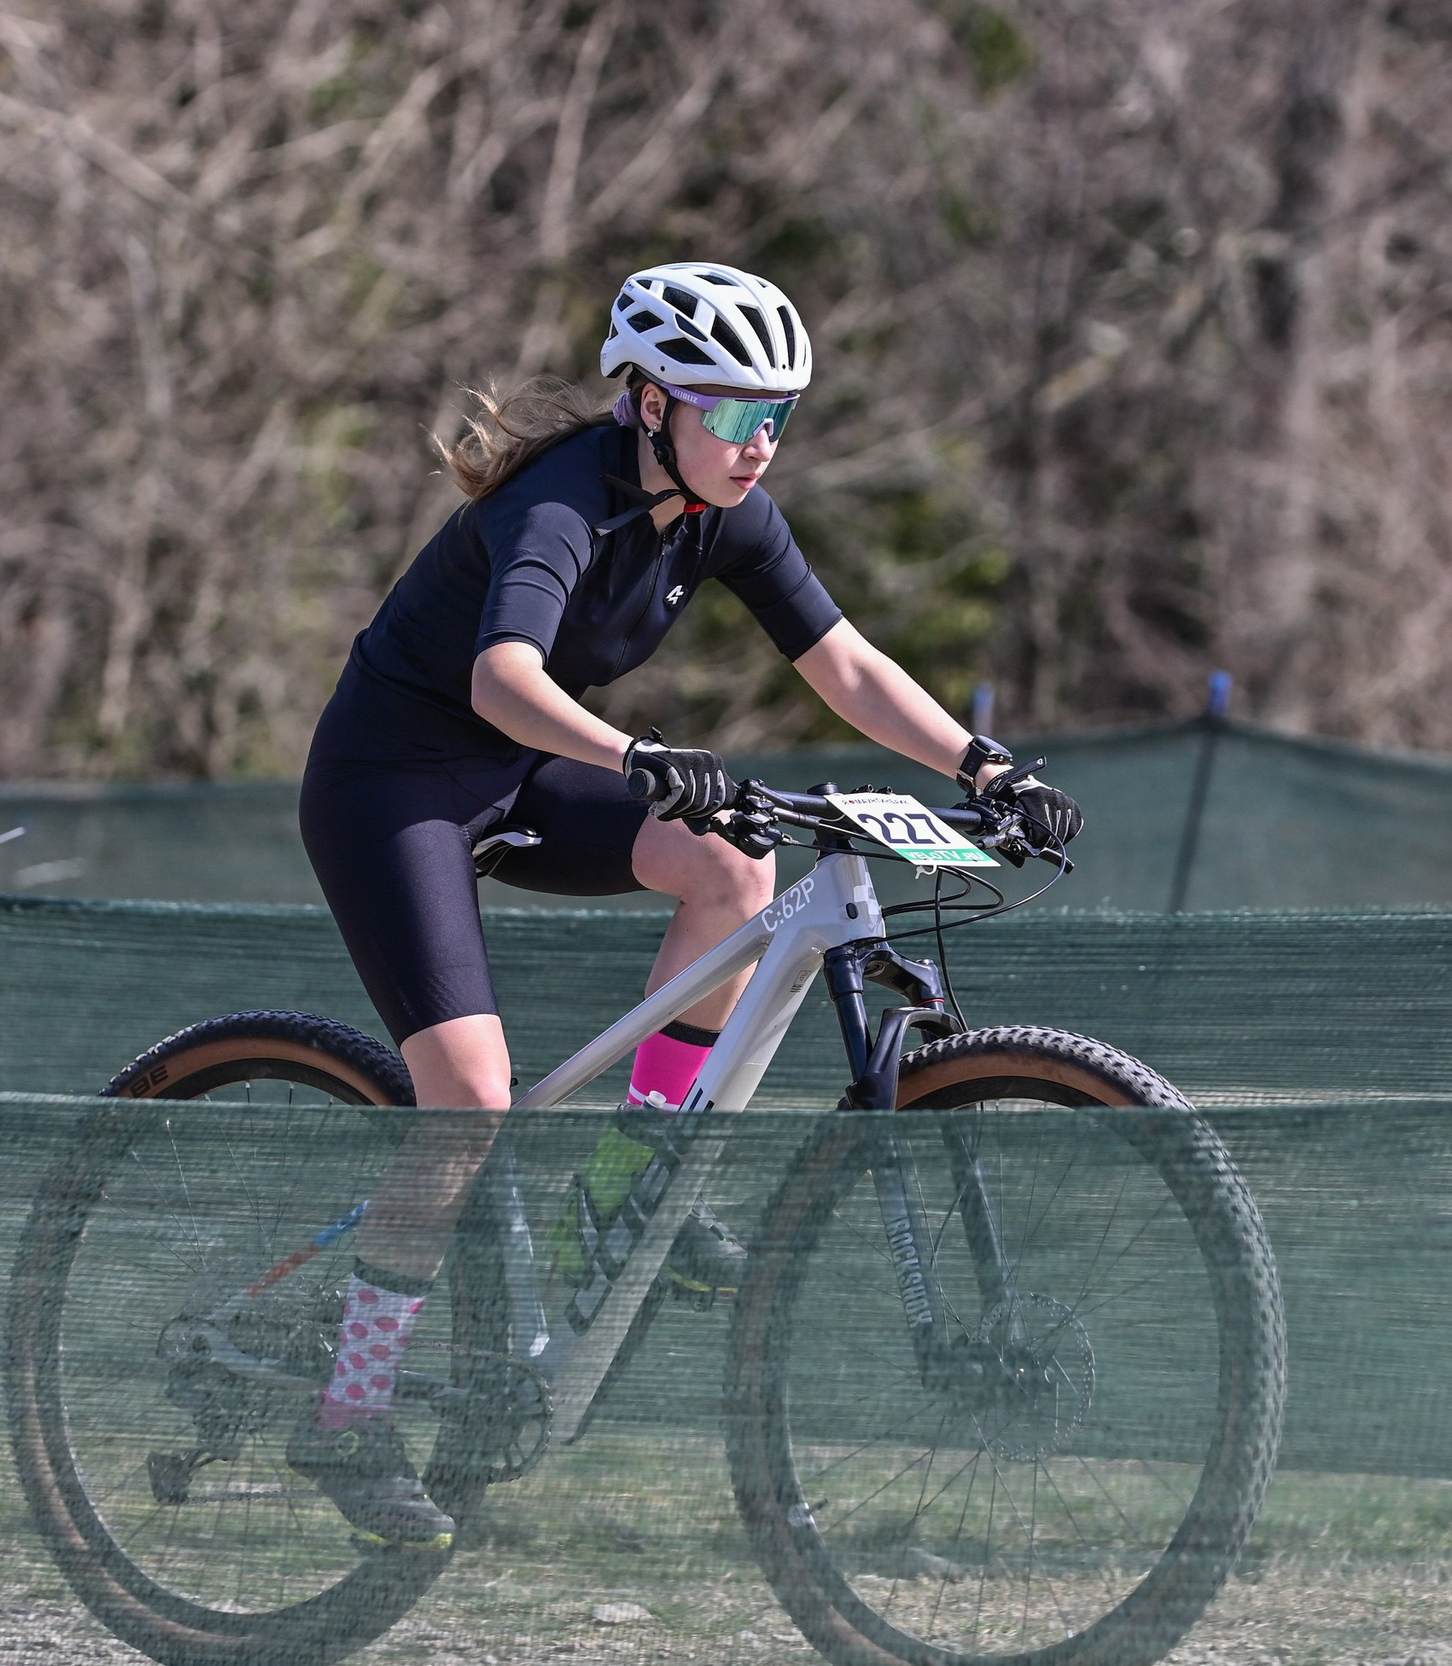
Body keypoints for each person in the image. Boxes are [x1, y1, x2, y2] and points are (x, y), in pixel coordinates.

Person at [288, 262, 1084, 1550]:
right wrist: (638, 760)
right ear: (651, 404)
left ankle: (624, 1176)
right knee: (472, 1102)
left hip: (520, 772)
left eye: (778, 416)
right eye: (730, 414)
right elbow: (500, 677)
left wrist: (983, 766)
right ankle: (347, 1410)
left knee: (732, 866)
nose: (759, 443)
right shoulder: (562, 504)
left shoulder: (723, 510)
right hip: (394, 789)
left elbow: (846, 662)